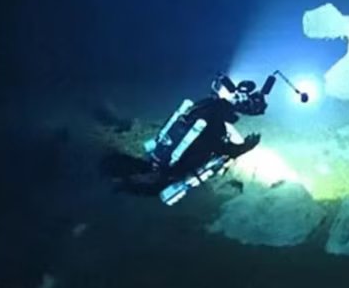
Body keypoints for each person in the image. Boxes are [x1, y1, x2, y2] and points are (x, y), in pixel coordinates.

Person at [101, 73, 270, 205]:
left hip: (165, 152)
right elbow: (220, 148)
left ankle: (117, 173)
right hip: (177, 165)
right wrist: (245, 147)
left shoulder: (206, 104)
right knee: (158, 187)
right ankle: (120, 185)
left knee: (149, 170)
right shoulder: (216, 121)